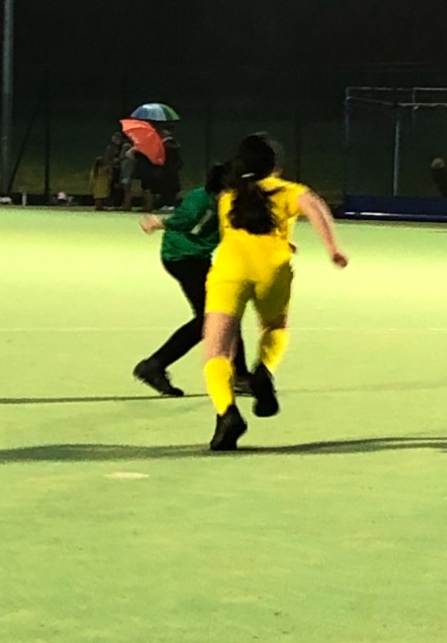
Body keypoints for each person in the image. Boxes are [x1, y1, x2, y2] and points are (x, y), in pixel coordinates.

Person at [202, 133, 348, 451]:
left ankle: (227, 414)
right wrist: (333, 248)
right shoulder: (288, 191)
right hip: (273, 270)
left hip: (229, 271)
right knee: (274, 328)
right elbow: (315, 207)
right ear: (275, 166)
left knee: (216, 352)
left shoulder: (228, 196)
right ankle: (264, 370)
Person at [133, 164, 249, 398]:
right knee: (214, 318)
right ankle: (154, 365)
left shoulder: (228, 203)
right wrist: (161, 223)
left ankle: (240, 376)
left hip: (196, 258)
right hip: (182, 258)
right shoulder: (200, 200)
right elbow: (186, 219)